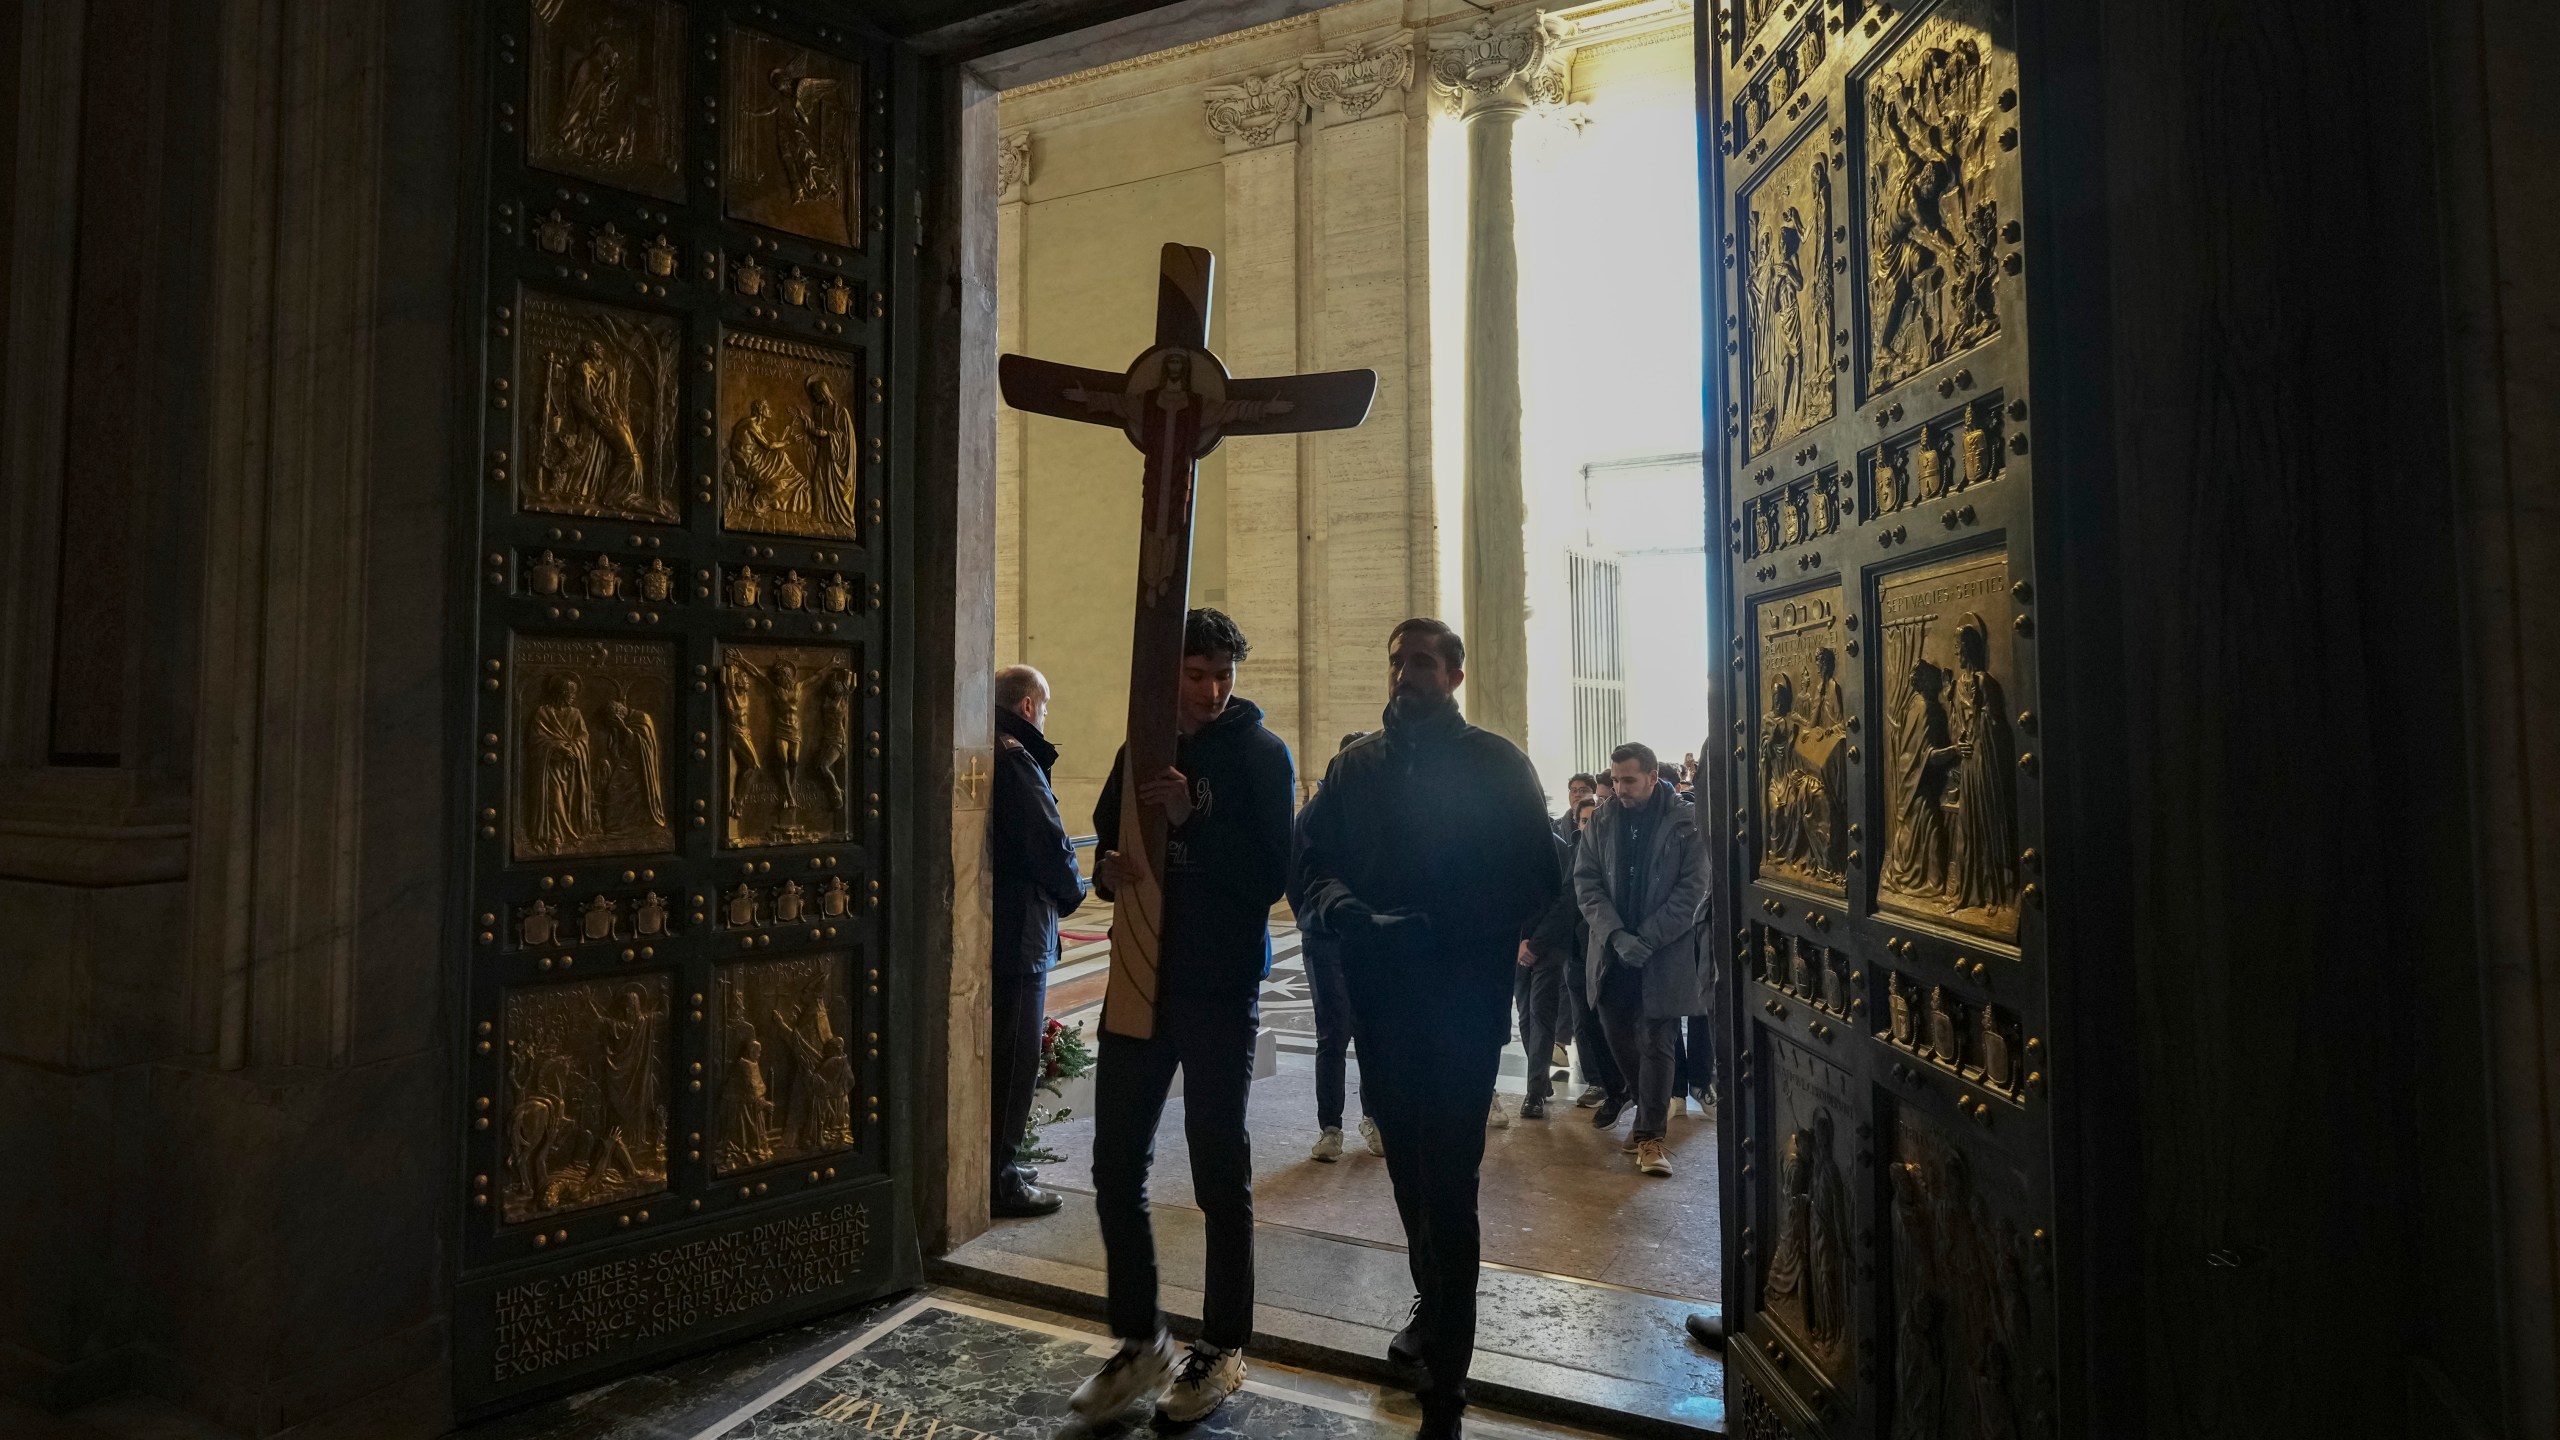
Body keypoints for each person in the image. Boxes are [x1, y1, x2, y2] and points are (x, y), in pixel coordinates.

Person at [1294, 618, 1561, 1440]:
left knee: (1451, 1183)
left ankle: (1448, 1384)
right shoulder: (1353, 767)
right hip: (1381, 1001)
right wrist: (1342, 910)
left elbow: (1539, 883)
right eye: (1396, 662)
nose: (1404, 675)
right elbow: (1307, 862)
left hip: (1459, 1005)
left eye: (1421, 662)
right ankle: (1433, 1303)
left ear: (1453, 674)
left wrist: (1438, 928)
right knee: (1408, 1172)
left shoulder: (1498, 765)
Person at [1071, 609, 1296, 1427]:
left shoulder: (1263, 755)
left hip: (1215, 986)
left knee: (1216, 1169)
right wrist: (1107, 869)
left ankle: (1223, 1348)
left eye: (1221, 675)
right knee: (1114, 1165)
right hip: (1138, 980)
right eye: (1195, 675)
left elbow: (1273, 874)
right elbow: (1104, 838)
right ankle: (1141, 1342)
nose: (1210, 690)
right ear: (1169, 677)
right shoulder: (1143, 745)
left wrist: (1194, 816)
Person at [1574, 742, 1711, 1178]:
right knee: (1619, 1038)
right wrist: (1615, 934)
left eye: (1628, 780)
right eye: (1614, 780)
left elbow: (1693, 889)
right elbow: (1586, 882)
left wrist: (1646, 938)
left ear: (1653, 777)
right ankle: (1641, 1105)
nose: (1619, 788)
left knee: (1657, 1041)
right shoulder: (1602, 820)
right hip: (1612, 955)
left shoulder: (1685, 823)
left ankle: (1651, 1138)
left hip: (1661, 956)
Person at [988, 665, 1086, 1219]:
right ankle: (1000, 1180)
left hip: (1000, 926)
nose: (1045, 716)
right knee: (1014, 1058)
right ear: (1028, 706)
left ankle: (996, 1162)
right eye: (1044, 707)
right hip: (1020, 933)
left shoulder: (986, 745)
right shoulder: (1015, 757)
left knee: (1005, 1054)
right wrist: (1072, 894)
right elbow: (1050, 843)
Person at [1294, 733, 1381, 1162]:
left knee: (1371, 1030)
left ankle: (1375, 1118)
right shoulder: (1312, 815)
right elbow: (1298, 878)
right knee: (1333, 1031)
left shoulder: (1377, 814)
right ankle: (1331, 1127)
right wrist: (1314, 919)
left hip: (1367, 937)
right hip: (1324, 936)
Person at [1554, 773, 1599, 842]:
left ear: (1594, 794)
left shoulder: (1601, 821)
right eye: (1574, 791)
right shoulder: (1555, 827)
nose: (1577, 795)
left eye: (1583, 791)